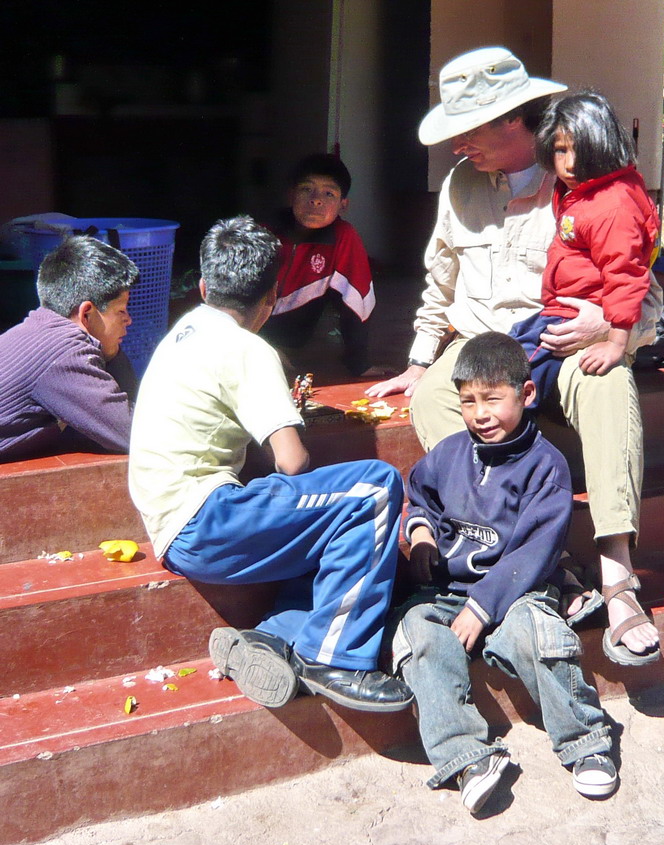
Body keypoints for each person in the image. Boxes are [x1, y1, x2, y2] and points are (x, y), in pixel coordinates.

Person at [367, 46, 662, 666]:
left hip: (566, 339)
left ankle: (616, 573)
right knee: (434, 397)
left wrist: (609, 327)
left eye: (468, 129)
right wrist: (422, 359)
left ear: (513, 120)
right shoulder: (459, 185)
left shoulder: (585, 181)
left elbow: (645, 294)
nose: (455, 146)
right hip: (484, 348)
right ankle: (542, 559)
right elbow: (439, 277)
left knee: (610, 384)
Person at [128, 215, 412, 713]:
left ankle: (270, 639)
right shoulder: (246, 348)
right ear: (273, 298)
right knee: (376, 488)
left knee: (328, 527)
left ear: (201, 285)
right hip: (206, 521)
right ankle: (338, 659)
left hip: (171, 526)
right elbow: (293, 462)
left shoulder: (184, 330)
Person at [392, 332, 617, 814]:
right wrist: (424, 536)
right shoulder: (451, 452)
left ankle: (585, 742)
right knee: (416, 633)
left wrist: (482, 605)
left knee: (540, 636)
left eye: (493, 399)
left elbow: (534, 550)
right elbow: (421, 495)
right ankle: (467, 756)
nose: (480, 414)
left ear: (527, 394)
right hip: (451, 592)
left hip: (520, 592)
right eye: (468, 401)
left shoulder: (546, 468)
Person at [509, 90, 660, 414]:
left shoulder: (613, 204)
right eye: (560, 151)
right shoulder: (583, 191)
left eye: (582, 151)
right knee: (510, 346)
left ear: (605, 147)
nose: (570, 164)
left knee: (511, 381)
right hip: (560, 308)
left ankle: (514, 450)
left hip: (578, 313)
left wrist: (616, 343)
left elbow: (625, 273)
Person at [0, 235, 138, 462]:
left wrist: (111, 354)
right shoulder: (65, 353)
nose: (129, 320)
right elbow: (137, 435)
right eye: (121, 311)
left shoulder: (40, 328)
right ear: (86, 314)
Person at [260, 153, 385, 378]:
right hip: (253, 331)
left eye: (329, 193)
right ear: (291, 195)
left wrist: (360, 364)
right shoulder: (263, 231)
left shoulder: (343, 237)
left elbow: (357, 300)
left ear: (343, 205)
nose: (316, 200)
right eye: (306, 189)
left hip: (294, 338)